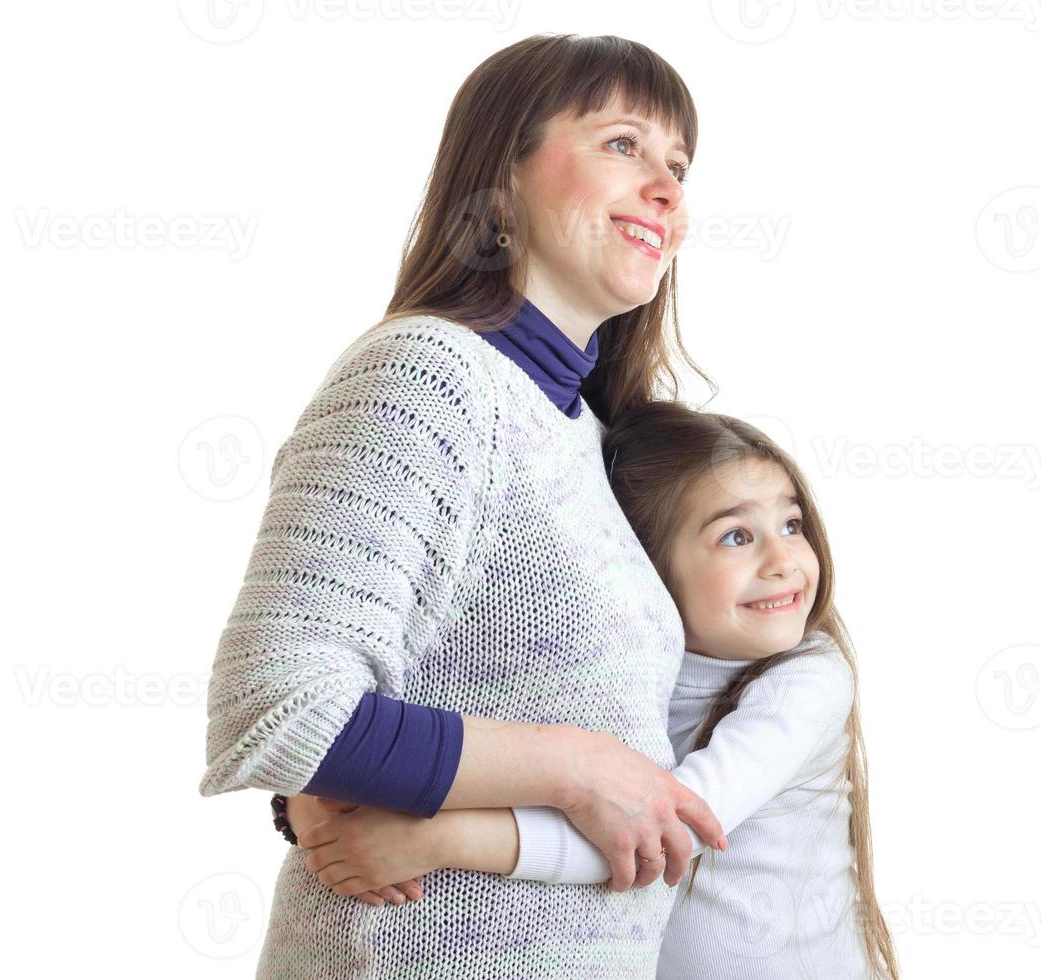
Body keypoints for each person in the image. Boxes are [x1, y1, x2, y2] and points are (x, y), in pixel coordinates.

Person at [198, 34, 731, 979]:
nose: (667, 190)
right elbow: (279, 707)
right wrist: (585, 765)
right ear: (499, 184)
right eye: (622, 145)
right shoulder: (426, 379)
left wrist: (348, 784)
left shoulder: (586, 438)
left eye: (679, 167)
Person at [291, 403, 902, 979]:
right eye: (736, 537)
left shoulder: (808, 677)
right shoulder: (612, 671)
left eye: (791, 524)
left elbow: (658, 834)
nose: (784, 560)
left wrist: (437, 838)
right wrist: (314, 791)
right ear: (645, 568)